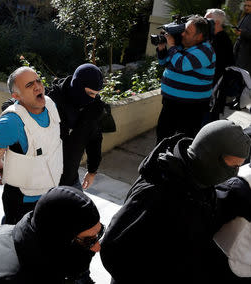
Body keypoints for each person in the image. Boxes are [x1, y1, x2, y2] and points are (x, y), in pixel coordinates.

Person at [100, 120, 251, 283]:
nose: (234, 173)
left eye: (238, 167)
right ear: (210, 153)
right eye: (232, 165)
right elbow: (113, 250)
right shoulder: (155, 193)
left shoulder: (200, 181)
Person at [0, 186, 102, 284]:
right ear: (58, 239)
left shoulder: (37, 244)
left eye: (100, 233)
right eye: (89, 241)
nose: (97, 247)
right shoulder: (4, 280)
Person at [0, 66, 63, 225]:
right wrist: (4, 170)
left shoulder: (51, 105)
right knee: (17, 243)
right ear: (16, 95)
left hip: (50, 193)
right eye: (29, 85)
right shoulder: (12, 121)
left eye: (38, 80)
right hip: (23, 202)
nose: (38, 86)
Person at [155, 15, 216, 143]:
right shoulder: (183, 46)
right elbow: (164, 62)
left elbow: (181, 64)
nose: (182, 34)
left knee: (184, 141)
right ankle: (158, 162)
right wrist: (162, 47)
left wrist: (171, 46)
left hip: (191, 107)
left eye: (187, 32)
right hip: (171, 102)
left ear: (199, 36)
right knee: (163, 136)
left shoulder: (205, 51)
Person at [47, 63, 106, 190]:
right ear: (78, 85)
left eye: (96, 94)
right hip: (43, 180)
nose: (93, 98)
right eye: (90, 93)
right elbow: (16, 106)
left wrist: (92, 171)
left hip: (71, 180)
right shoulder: (51, 98)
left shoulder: (94, 108)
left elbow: (95, 139)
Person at [234, 0, 251, 75]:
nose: (247, 8)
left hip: (247, 57)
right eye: (246, 5)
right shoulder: (245, 15)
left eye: (249, 6)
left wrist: (243, 33)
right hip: (239, 53)